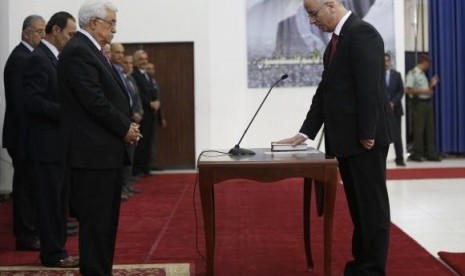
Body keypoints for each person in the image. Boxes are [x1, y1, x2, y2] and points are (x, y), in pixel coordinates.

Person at [278, 1, 395, 275]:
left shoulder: (362, 33)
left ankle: (372, 269)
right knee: (359, 210)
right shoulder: (337, 41)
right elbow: (326, 92)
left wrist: (367, 131)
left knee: (372, 209)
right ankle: (361, 264)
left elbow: (370, 87)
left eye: (314, 14)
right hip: (347, 140)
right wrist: (305, 132)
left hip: (364, 139)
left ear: (331, 5)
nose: (312, 21)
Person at [57, 0, 141, 274]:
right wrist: (124, 127)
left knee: (104, 223)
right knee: (96, 224)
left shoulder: (91, 50)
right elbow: (94, 101)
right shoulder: (79, 51)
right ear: (94, 23)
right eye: (111, 23)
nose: (115, 29)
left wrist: (125, 124)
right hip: (91, 154)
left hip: (102, 152)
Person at [23, 11, 78, 267]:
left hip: (59, 144)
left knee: (58, 203)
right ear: (55, 31)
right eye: (69, 34)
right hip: (45, 146)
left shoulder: (54, 58)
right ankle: (53, 254)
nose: (71, 39)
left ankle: (59, 251)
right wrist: (65, 111)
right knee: (49, 204)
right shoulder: (38, 59)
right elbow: (32, 102)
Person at [3, 14, 46, 251]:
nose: (42, 35)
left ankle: (34, 229)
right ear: (25, 33)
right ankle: (25, 235)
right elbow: (20, 103)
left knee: (31, 186)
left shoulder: (31, 57)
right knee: (25, 188)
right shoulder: (21, 58)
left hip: (28, 135)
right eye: (38, 31)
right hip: (22, 135)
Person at [110, 43, 141, 200]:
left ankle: (127, 185)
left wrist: (137, 112)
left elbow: (134, 98)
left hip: (131, 120)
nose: (120, 56)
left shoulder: (125, 75)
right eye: (117, 52)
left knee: (130, 155)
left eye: (122, 53)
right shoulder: (111, 72)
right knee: (122, 157)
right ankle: (121, 188)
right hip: (120, 121)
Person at [405, 54, 441, 162]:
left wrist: (431, 85)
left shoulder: (423, 75)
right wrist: (424, 91)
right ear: (424, 62)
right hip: (418, 104)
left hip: (427, 103)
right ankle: (417, 154)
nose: (429, 65)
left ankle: (430, 153)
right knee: (418, 130)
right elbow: (408, 90)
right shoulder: (412, 74)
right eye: (428, 63)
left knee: (429, 129)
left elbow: (425, 89)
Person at [131, 50, 160, 176]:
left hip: (150, 114)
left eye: (145, 58)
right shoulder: (134, 74)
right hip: (141, 113)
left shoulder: (147, 75)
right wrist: (149, 103)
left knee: (148, 141)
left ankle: (145, 167)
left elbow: (153, 91)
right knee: (140, 143)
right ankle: (137, 169)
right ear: (135, 61)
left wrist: (157, 101)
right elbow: (138, 94)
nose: (144, 61)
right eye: (141, 59)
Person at [385, 52, 406, 166]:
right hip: (382, 111)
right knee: (381, 138)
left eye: (387, 61)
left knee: (397, 136)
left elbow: (401, 90)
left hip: (396, 110)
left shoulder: (396, 75)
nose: (385, 63)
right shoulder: (377, 75)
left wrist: (393, 102)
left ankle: (400, 158)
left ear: (390, 62)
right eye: (383, 61)